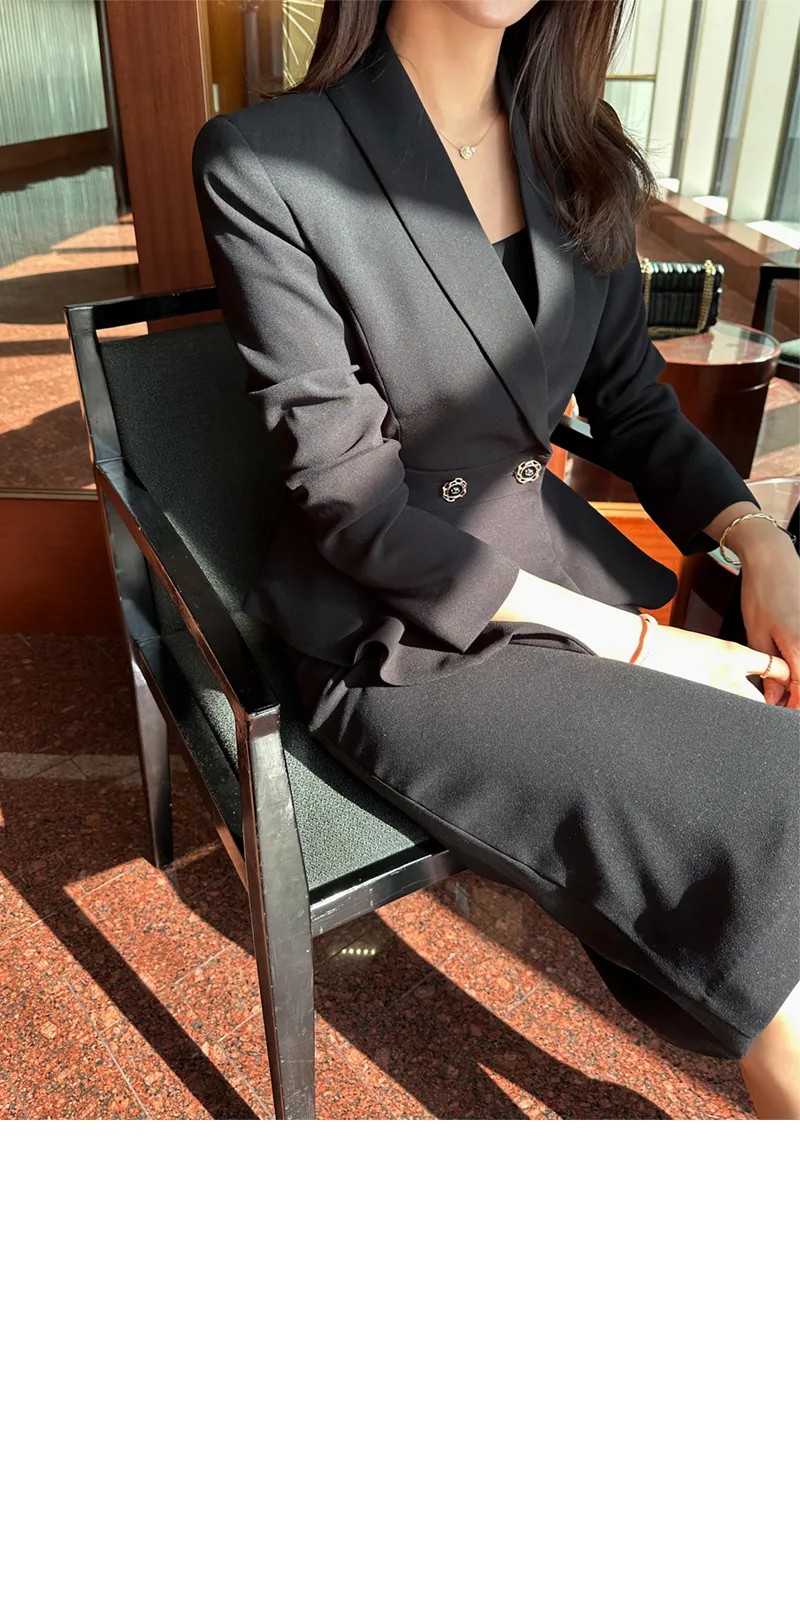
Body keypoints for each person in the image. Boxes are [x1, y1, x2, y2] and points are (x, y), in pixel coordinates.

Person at [193, 0, 800, 1118]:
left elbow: (630, 405)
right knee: (769, 809)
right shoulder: (267, 158)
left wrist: (755, 535)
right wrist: (643, 646)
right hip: (400, 636)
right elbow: (348, 504)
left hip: (552, 580)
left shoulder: (575, 143)